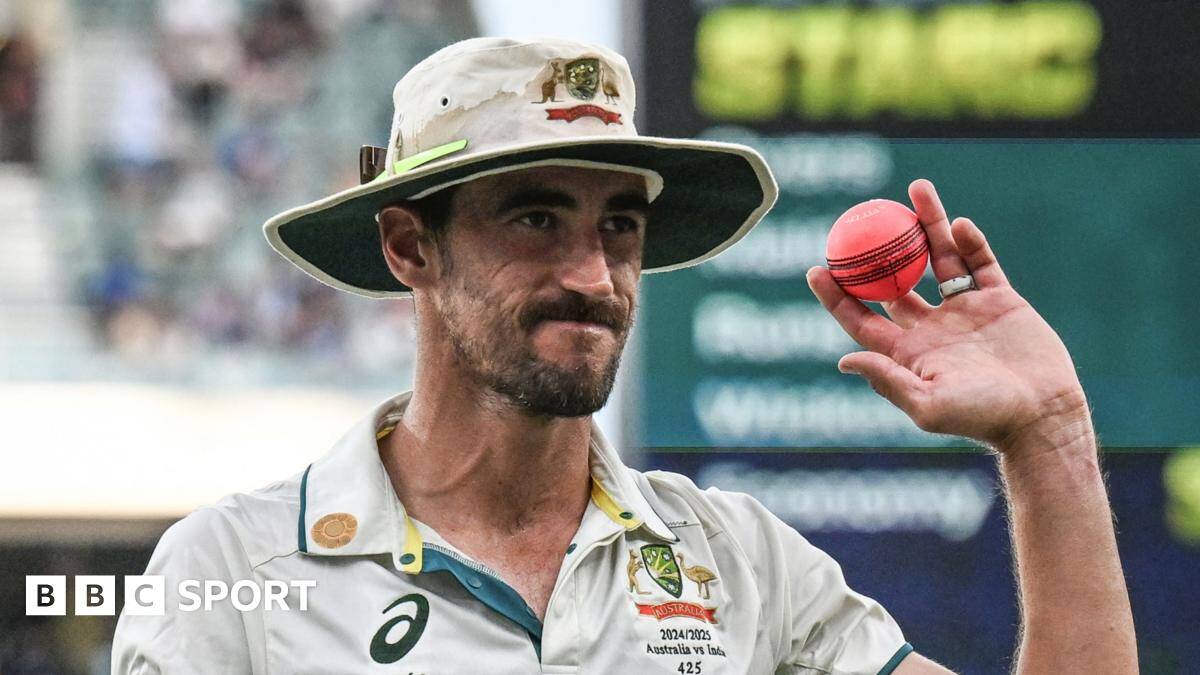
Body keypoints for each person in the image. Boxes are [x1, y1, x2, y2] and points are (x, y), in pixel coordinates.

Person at [112, 37, 1136, 674]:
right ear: (410, 247)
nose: (594, 276)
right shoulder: (228, 570)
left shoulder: (744, 562)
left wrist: (1049, 441)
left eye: (620, 227)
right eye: (535, 218)